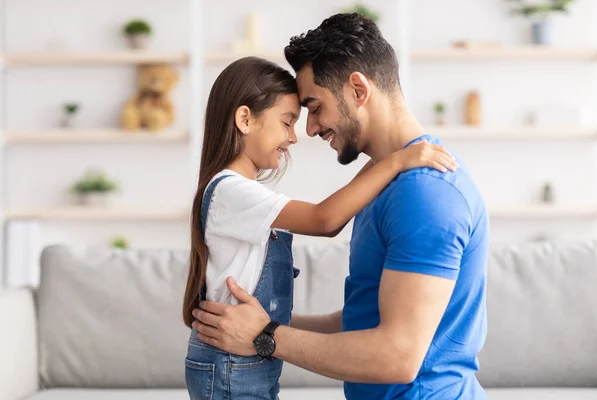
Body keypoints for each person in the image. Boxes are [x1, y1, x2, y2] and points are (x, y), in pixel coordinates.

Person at [191, 13, 490, 400]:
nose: (310, 130)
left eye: (314, 107)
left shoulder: (424, 193)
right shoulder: (383, 183)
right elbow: (362, 319)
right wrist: (258, 322)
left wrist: (265, 336)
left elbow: (396, 358)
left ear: (358, 90)